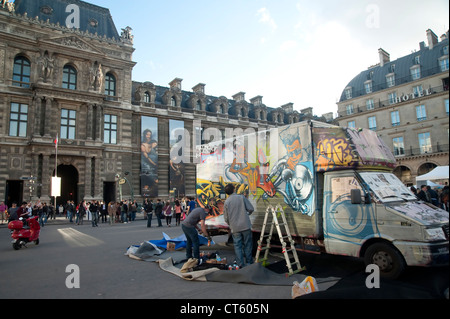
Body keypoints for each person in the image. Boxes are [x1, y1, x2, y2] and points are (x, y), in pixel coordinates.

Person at [224, 183, 255, 268]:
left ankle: (240, 264)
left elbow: (226, 218)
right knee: (248, 244)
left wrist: (231, 224)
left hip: (235, 227)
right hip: (245, 225)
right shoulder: (241, 197)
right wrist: (247, 214)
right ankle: (249, 262)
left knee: (237, 246)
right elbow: (251, 208)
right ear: (234, 190)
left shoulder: (227, 202)